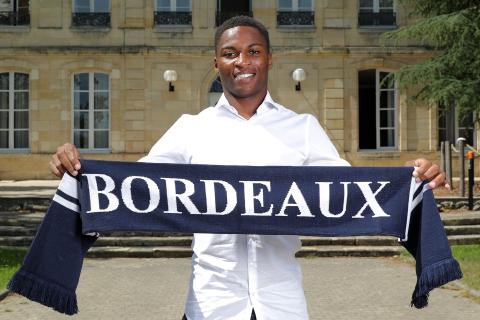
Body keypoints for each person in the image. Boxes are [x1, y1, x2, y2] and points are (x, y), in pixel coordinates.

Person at [50, 16, 447, 320]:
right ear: (217, 62)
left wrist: (410, 181)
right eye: (230, 53)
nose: (243, 61)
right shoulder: (191, 129)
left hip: (283, 303)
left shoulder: (303, 129)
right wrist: (80, 172)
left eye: (254, 51)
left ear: (269, 59)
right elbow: (132, 189)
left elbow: (355, 194)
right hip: (211, 303)